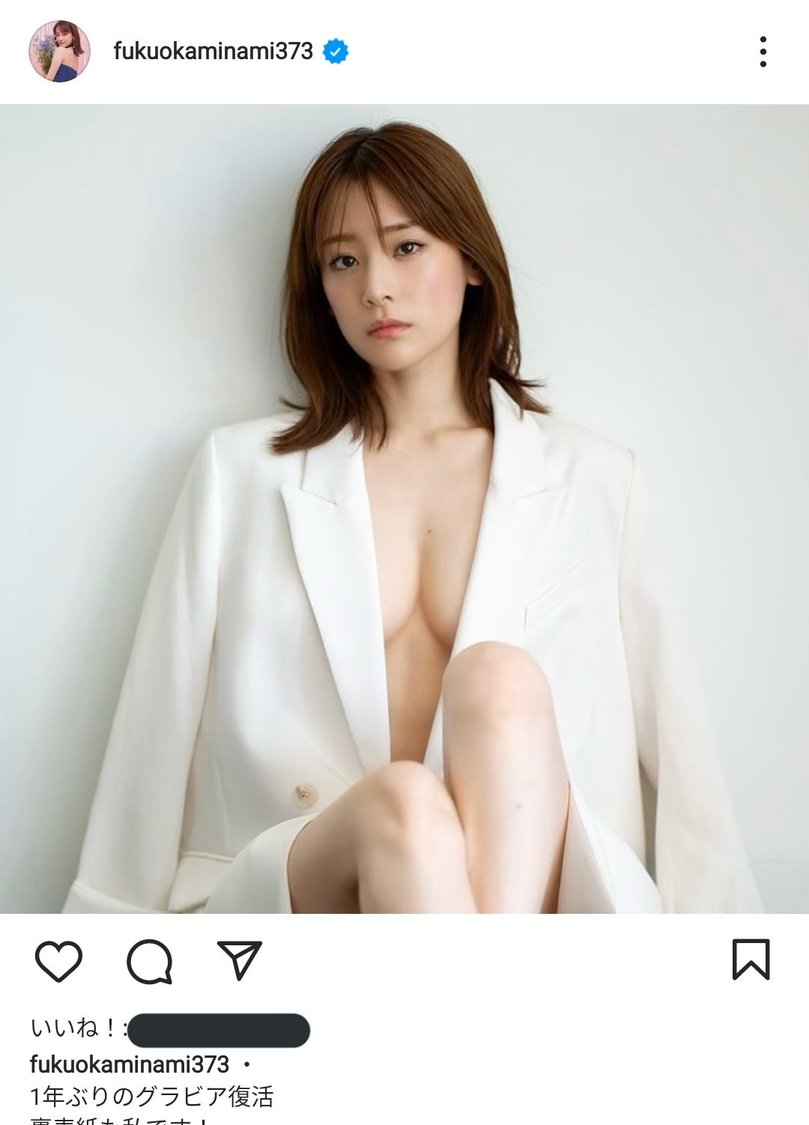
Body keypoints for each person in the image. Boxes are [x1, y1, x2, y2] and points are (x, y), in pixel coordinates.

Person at [63, 122, 762, 915]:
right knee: (403, 805)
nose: (375, 288)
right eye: (343, 260)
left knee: (498, 682)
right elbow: (154, 729)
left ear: (470, 260)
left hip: (521, 900)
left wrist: (729, 958)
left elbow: (679, 751)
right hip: (312, 900)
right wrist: (104, 946)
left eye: (405, 247)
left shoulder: (595, 479)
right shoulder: (238, 473)